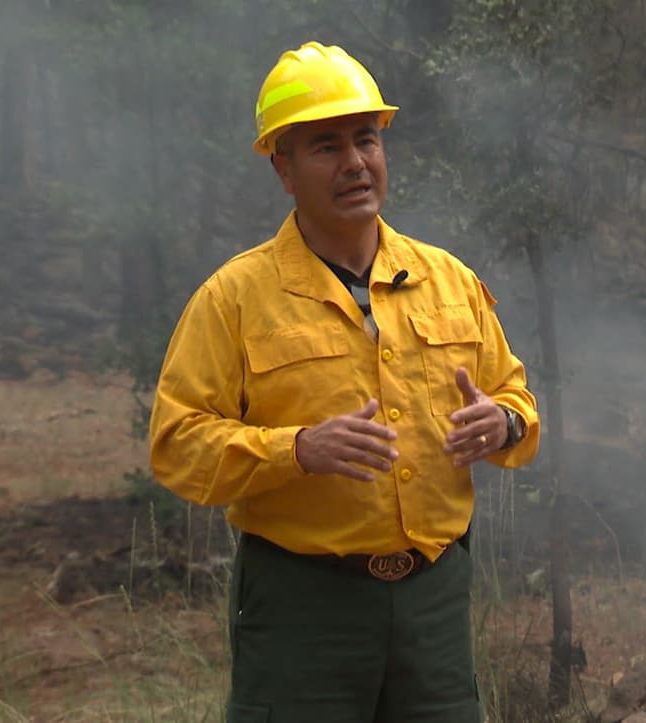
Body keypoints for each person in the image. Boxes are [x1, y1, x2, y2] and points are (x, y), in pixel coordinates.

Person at [148, 41, 540, 722]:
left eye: (366, 140)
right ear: (284, 169)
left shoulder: (450, 279)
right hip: (303, 603)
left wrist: (502, 422)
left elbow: (517, 402)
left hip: (434, 601)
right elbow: (177, 444)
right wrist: (295, 450)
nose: (356, 162)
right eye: (326, 146)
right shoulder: (234, 297)